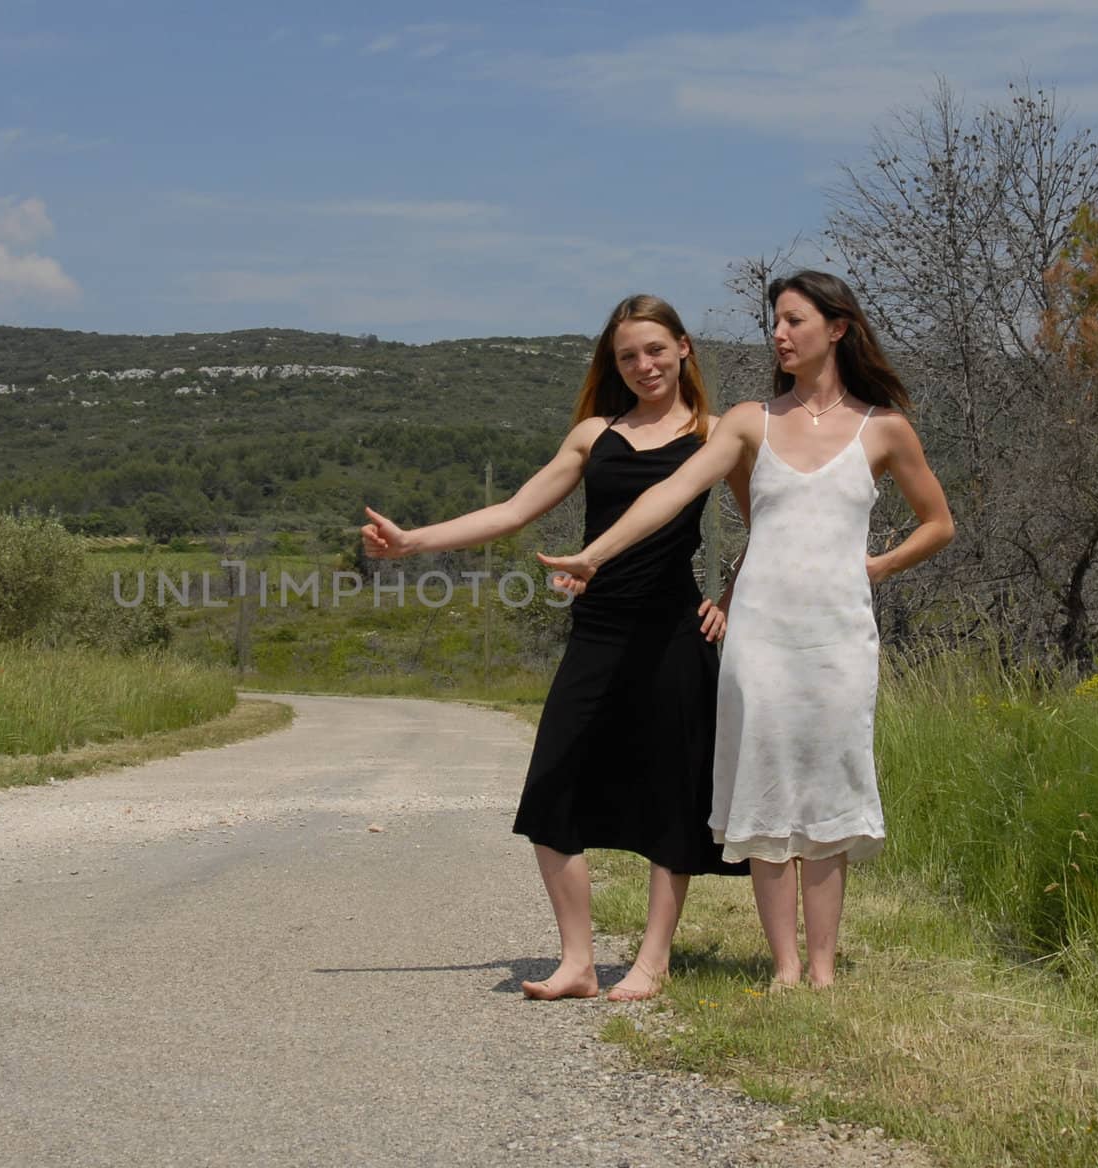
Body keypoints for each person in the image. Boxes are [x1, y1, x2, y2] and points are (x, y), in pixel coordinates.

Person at [539, 271, 954, 989]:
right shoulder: (746, 421)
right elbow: (671, 494)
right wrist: (594, 556)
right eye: (776, 323)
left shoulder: (884, 428)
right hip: (758, 633)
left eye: (794, 320)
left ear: (837, 328)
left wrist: (880, 567)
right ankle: (784, 968)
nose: (779, 334)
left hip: (839, 637)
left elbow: (939, 523)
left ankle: (822, 969)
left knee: (828, 793)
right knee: (763, 789)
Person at [362, 294, 749, 1003]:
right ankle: (576, 961)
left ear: (684, 348)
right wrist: (413, 541)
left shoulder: (718, 433)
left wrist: (730, 600)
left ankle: (652, 963)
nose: (643, 365)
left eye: (655, 350)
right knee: (553, 787)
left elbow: (768, 525)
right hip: (596, 631)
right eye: (628, 355)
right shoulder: (592, 435)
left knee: (672, 795)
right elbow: (513, 510)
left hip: (672, 632)